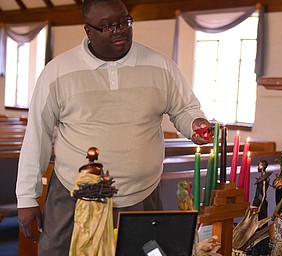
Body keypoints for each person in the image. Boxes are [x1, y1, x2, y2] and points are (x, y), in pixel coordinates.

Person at [16, 0, 212, 255]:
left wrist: (195, 125)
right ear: (88, 31)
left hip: (142, 197)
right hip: (74, 197)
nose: (118, 30)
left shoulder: (160, 66)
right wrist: (27, 198)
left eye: (123, 22)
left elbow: (185, 110)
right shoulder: (57, 72)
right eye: (106, 26)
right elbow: (37, 136)